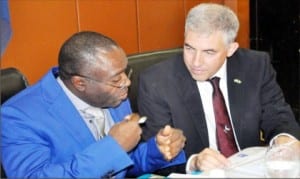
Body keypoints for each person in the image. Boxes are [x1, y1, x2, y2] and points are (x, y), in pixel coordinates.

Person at [138, 2, 300, 174]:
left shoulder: (255, 66)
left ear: (231, 49)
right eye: (189, 48)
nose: (196, 62)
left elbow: (278, 116)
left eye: (209, 52)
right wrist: (194, 162)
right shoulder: (156, 82)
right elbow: (156, 155)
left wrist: (285, 140)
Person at [1, 31, 187, 178]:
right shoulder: (18, 116)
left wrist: (158, 150)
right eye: (116, 79)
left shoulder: (114, 96)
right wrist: (113, 146)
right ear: (80, 83)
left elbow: (123, 165)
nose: (126, 83)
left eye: (125, 72)